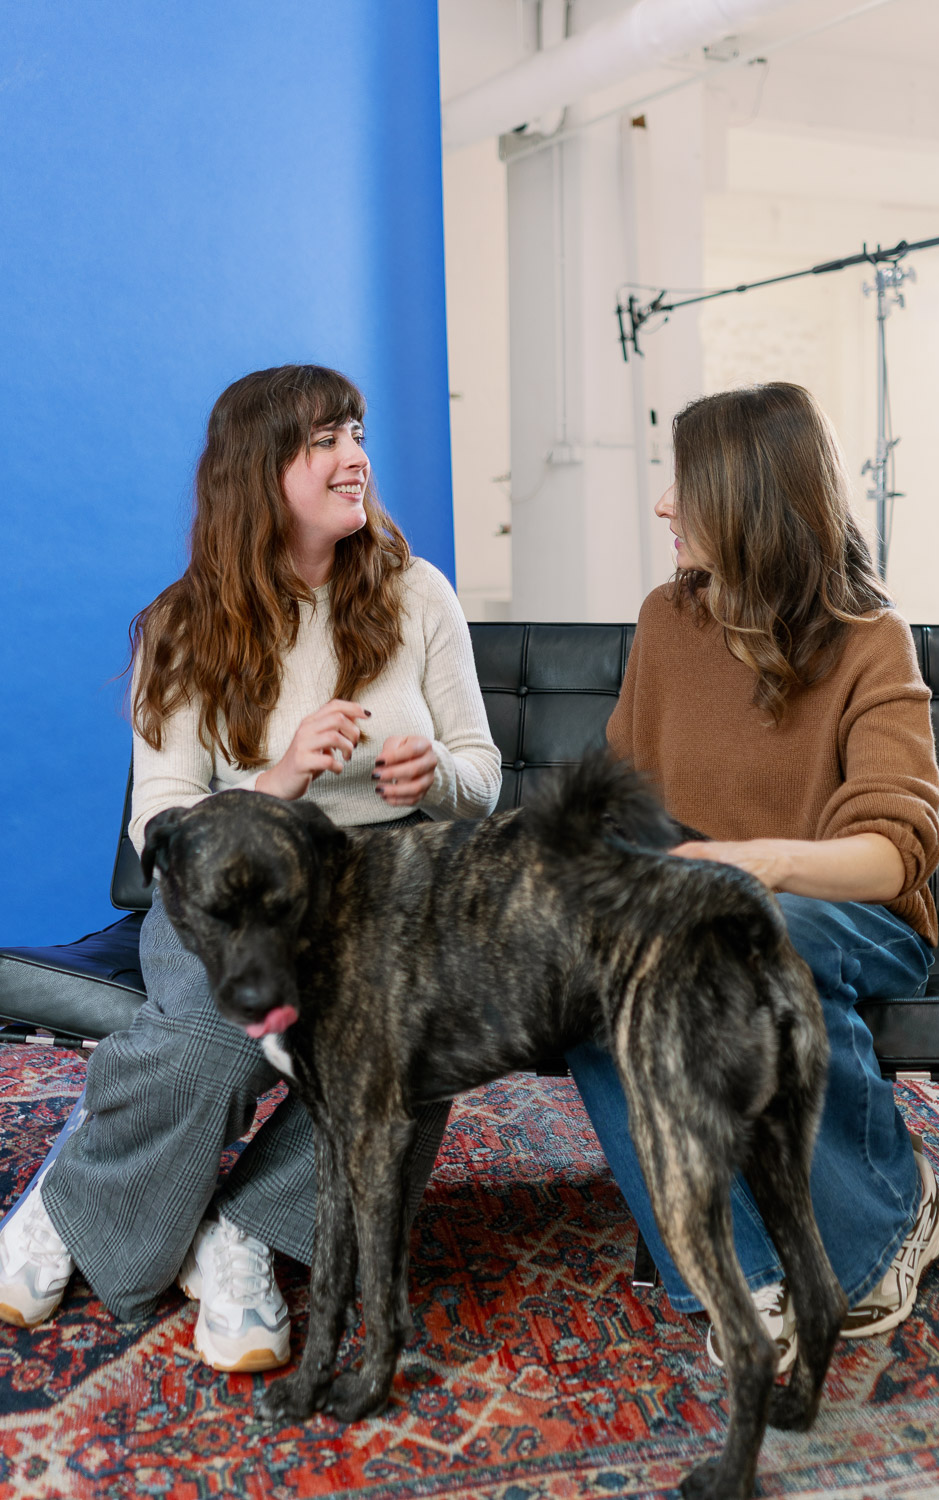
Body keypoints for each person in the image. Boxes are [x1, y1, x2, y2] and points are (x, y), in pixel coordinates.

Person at [0, 364, 502, 1371]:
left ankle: (249, 1236)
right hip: (229, 898)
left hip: (388, 897)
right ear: (256, 472)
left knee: (415, 1036)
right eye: (322, 441)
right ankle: (73, 1201)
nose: (353, 457)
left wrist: (435, 775)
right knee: (221, 1031)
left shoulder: (417, 592)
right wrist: (279, 778)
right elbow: (164, 826)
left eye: (354, 432)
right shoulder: (182, 625)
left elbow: (482, 777)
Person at [567, 382, 939, 1370]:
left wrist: (755, 865)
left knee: (747, 931)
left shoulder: (870, 639)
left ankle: (895, 1213)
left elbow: (892, 852)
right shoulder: (666, 621)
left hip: (851, 912)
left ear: (746, 499)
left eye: (681, 486)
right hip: (705, 912)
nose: (662, 505)